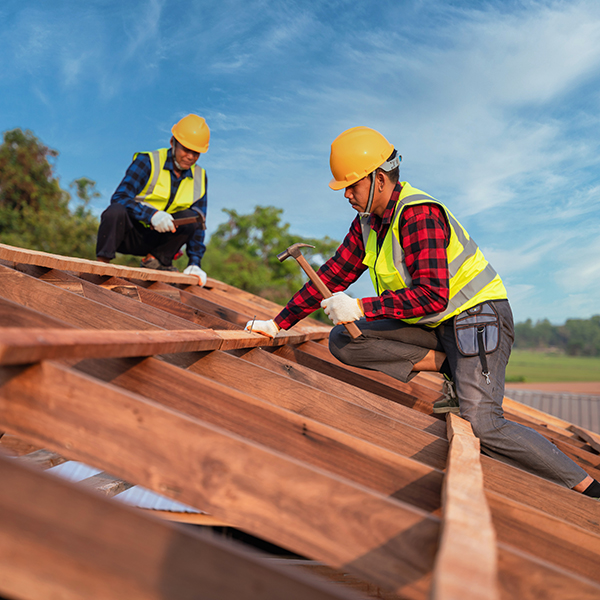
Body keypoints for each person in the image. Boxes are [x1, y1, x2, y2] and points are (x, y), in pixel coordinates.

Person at [245, 126, 600, 499]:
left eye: (352, 185)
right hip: (437, 327)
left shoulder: (418, 215)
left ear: (379, 179)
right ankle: (453, 365)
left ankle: (589, 488)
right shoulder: (368, 223)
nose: (347, 194)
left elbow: (433, 296)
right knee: (344, 339)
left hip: (477, 319)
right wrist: (277, 323)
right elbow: (335, 272)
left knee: (483, 422)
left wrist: (361, 305)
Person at [95, 114, 210, 285]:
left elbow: (199, 222)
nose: (191, 157)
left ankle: (154, 262)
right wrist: (151, 215)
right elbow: (120, 197)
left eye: (196, 153)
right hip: (128, 235)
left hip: (159, 243)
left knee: (191, 219)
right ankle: (101, 265)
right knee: (115, 211)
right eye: (186, 149)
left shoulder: (200, 177)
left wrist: (195, 262)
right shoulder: (148, 162)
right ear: (173, 142)